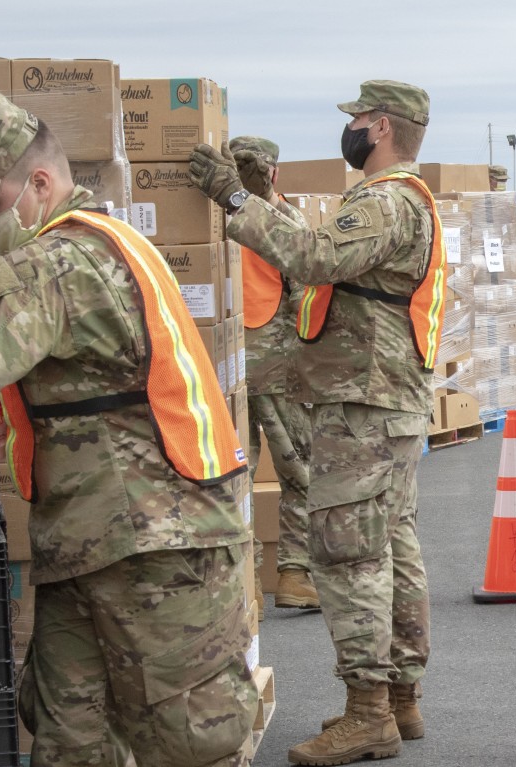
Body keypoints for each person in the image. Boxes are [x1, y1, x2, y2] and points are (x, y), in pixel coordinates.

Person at [0, 91, 256, 767]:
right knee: (70, 737)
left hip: (154, 546)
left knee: (189, 744)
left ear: (39, 183)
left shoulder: (55, 265)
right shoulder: (113, 240)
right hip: (94, 541)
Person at [189, 79, 441, 766]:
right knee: (390, 545)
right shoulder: (398, 200)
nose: (351, 127)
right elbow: (321, 251)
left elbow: (314, 257)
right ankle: (400, 698)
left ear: (381, 126)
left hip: (366, 402)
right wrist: (260, 199)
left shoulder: (387, 200)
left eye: (358, 118)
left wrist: (234, 200)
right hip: (382, 398)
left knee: (348, 553)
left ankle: (370, 715)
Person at [228, 136, 320, 612]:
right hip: (280, 362)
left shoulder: (218, 217)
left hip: (226, 363)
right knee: (299, 471)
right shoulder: (285, 219)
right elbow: (310, 287)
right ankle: (294, 575)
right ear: (275, 174)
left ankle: (243, 587)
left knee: (233, 474)